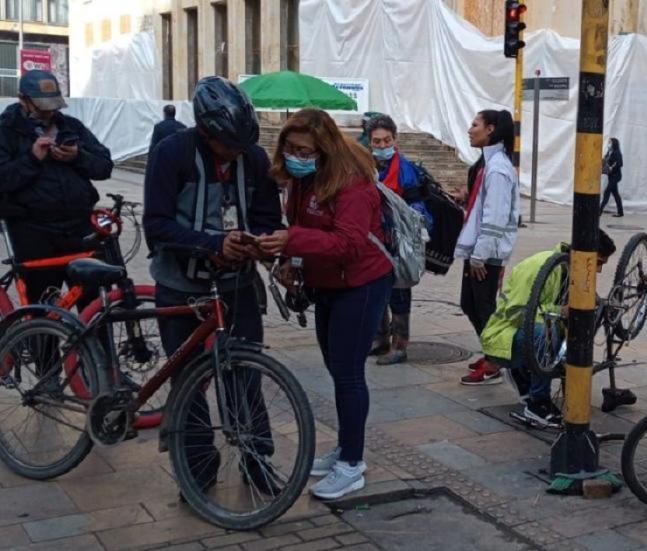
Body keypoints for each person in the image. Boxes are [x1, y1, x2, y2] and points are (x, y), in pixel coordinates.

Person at [143, 76, 284, 494]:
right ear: (205, 131)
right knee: (186, 380)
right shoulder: (172, 154)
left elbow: (266, 216)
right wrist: (211, 243)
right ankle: (198, 468)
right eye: (228, 147)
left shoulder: (254, 159)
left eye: (243, 146)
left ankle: (257, 461)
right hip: (179, 286)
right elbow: (157, 226)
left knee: (245, 373)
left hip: (236, 285)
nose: (236, 154)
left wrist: (263, 240)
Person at [257, 108, 393, 500]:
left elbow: (349, 244)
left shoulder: (352, 182)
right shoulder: (304, 181)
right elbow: (303, 229)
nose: (298, 156)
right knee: (337, 369)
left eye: (306, 150)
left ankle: (353, 464)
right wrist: (289, 261)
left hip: (362, 282)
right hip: (327, 284)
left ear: (324, 149)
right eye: (292, 148)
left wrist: (292, 241)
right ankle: (345, 448)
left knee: (349, 373)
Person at [0, 69, 114, 307]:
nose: (50, 112)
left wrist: (77, 157)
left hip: (80, 229)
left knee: (94, 306)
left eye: (53, 106)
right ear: (23, 99)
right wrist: (31, 158)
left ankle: (93, 345)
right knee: (43, 308)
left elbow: (104, 166)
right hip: (33, 233)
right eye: (42, 106)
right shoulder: (6, 132)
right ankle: (40, 342)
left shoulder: (72, 127)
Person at [482, 230, 617, 427]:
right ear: (581, 255)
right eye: (597, 263)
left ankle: (523, 373)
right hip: (504, 334)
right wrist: (560, 311)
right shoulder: (539, 266)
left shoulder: (572, 269)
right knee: (545, 332)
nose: (598, 271)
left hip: (528, 333)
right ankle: (538, 402)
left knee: (563, 342)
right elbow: (517, 312)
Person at [458, 109, 520, 386]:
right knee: (470, 303)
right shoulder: (488, 163)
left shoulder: (497, 168)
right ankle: (491, 354)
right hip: (480, 250)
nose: (470, 130)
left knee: (483, 308)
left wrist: (480, 256)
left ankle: (495, 362)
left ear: (491, 129)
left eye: (475, 125)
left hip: (486, 253)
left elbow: (495, 216)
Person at [365, 114, 432, 365]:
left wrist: (419, 228)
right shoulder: (366, 166)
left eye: (386, 140)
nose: (382, 146)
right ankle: (380, 339)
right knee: (376, 289)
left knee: (399, 292)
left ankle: (399, 345)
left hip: (400, 241)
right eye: (377, 142)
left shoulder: (405, 170)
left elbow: (417, 205)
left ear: (395, 139)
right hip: (375, 240)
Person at [600, 137, 624, 217]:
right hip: (611, 176)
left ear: (614, 143)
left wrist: (612, 167)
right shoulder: (609, 152)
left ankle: (599, 211)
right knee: (616, 194)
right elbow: (606, 161)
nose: (609, 144)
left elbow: (620, 163)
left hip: (616, 176)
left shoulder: (617, 153)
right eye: (608, 142)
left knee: (607, 192)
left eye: (610, 142)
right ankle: (620, 212)